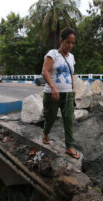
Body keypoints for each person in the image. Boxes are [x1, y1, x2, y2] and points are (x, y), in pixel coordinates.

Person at [41, 27, 80, 159]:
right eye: (68, 42)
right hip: (52, 94)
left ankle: (69, 147)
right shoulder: (53, 54)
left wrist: (73, 88)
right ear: (61, 40)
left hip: (68, 94)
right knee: (50, 118)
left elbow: (71, 74)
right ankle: (46, 134)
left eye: (72, 43)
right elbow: (45, 71)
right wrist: (53, 87)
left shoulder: (72, 57)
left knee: (69, 119)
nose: (70, 45)